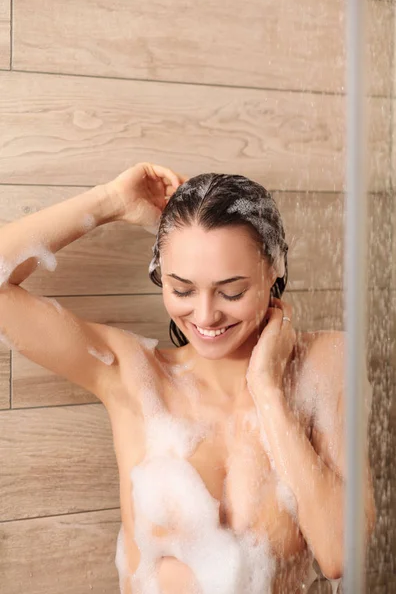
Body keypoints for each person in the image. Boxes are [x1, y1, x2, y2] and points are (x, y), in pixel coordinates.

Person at [0, 162, 376, 594]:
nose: (205, 315)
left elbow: (342, 555)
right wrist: (110, 202)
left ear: (273, 271)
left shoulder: (325, 364)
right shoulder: (136, 377)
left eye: (231, 292)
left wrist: (269, 391)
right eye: (181, 290)